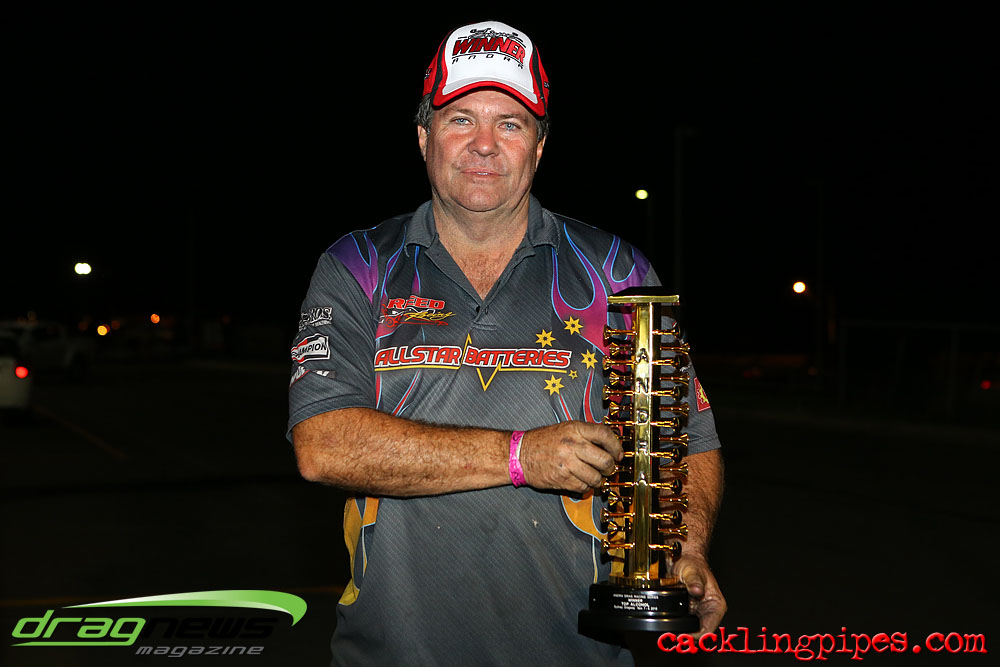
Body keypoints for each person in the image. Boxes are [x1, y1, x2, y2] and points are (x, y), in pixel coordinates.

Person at [288, 19, 725, 666]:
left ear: (539, 148)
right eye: (461, 119)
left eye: (511, 124)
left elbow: (685, 437)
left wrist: (685, 550)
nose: (485, 144)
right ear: (423, 137)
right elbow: (323, 445)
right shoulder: (358, 265)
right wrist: (520, 456)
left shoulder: (618, 273)